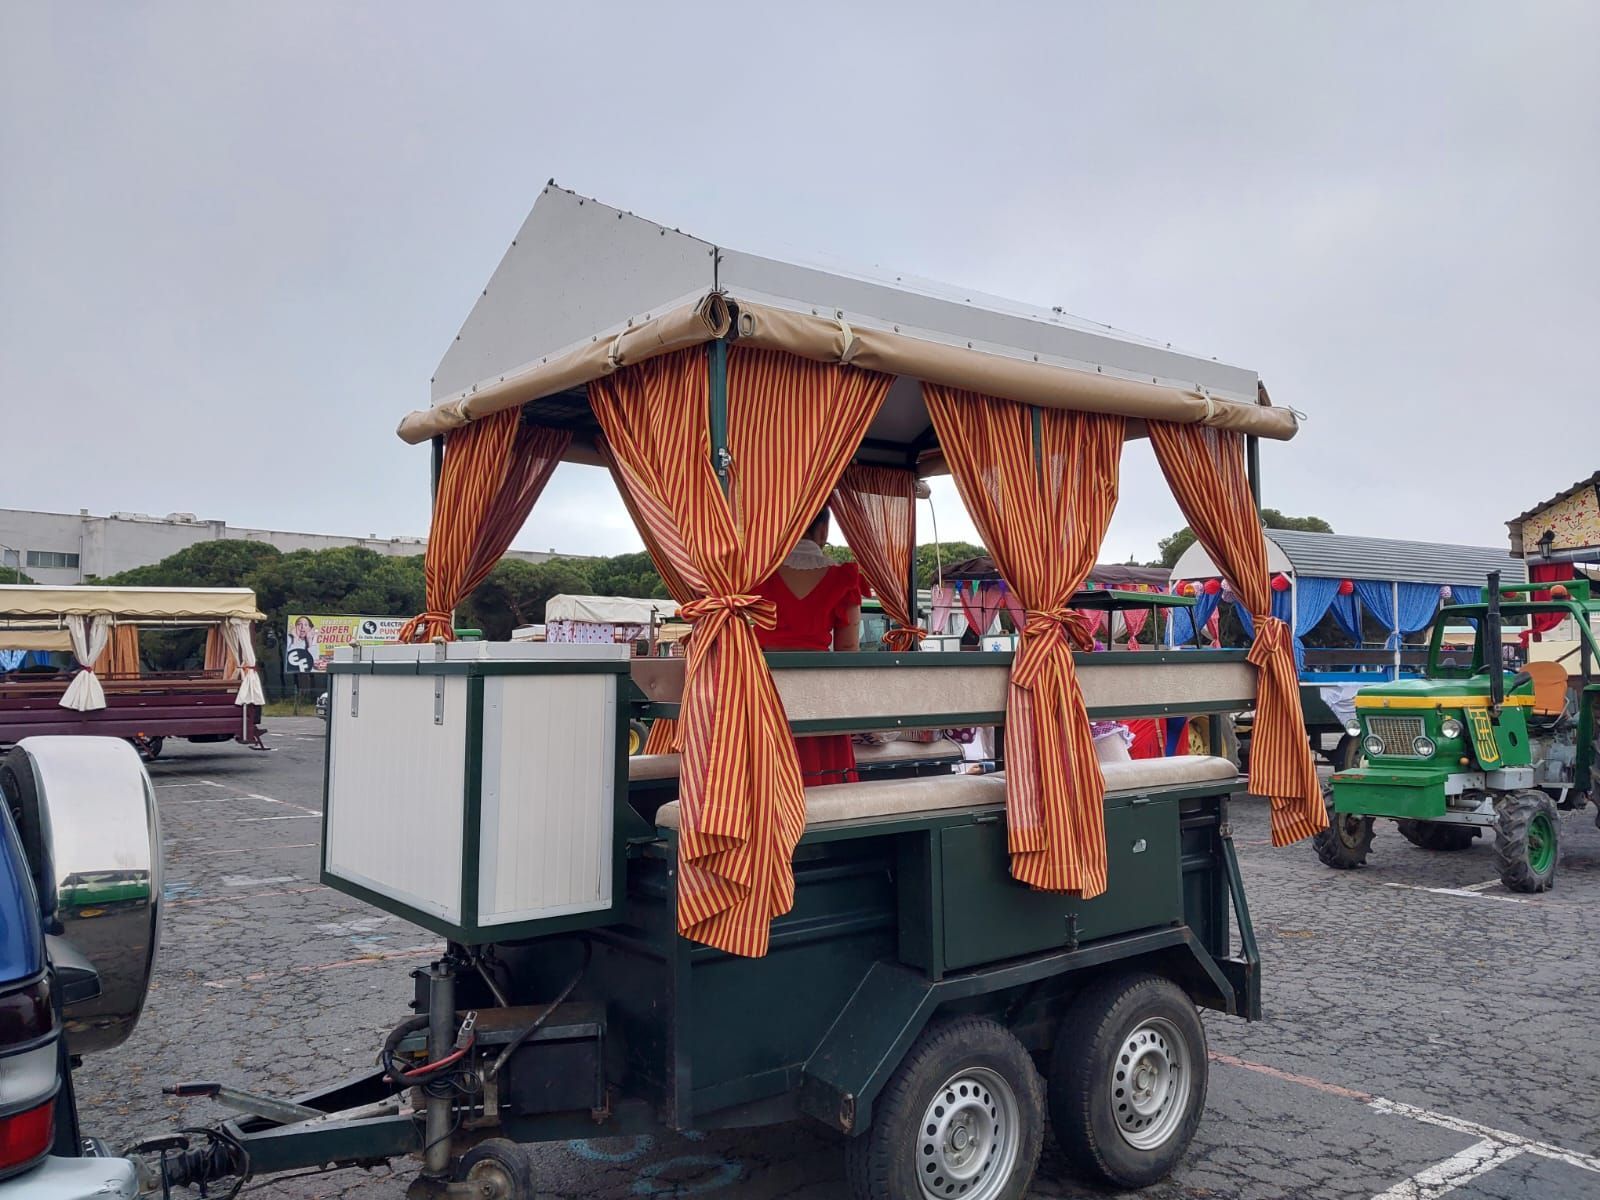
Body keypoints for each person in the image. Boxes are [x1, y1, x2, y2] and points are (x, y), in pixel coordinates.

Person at [753, 511, 861, 786]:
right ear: (822, 529)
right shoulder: (843, 577)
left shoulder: (753, 576)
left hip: (763, 692)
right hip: (818, 696)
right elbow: (848, 649)